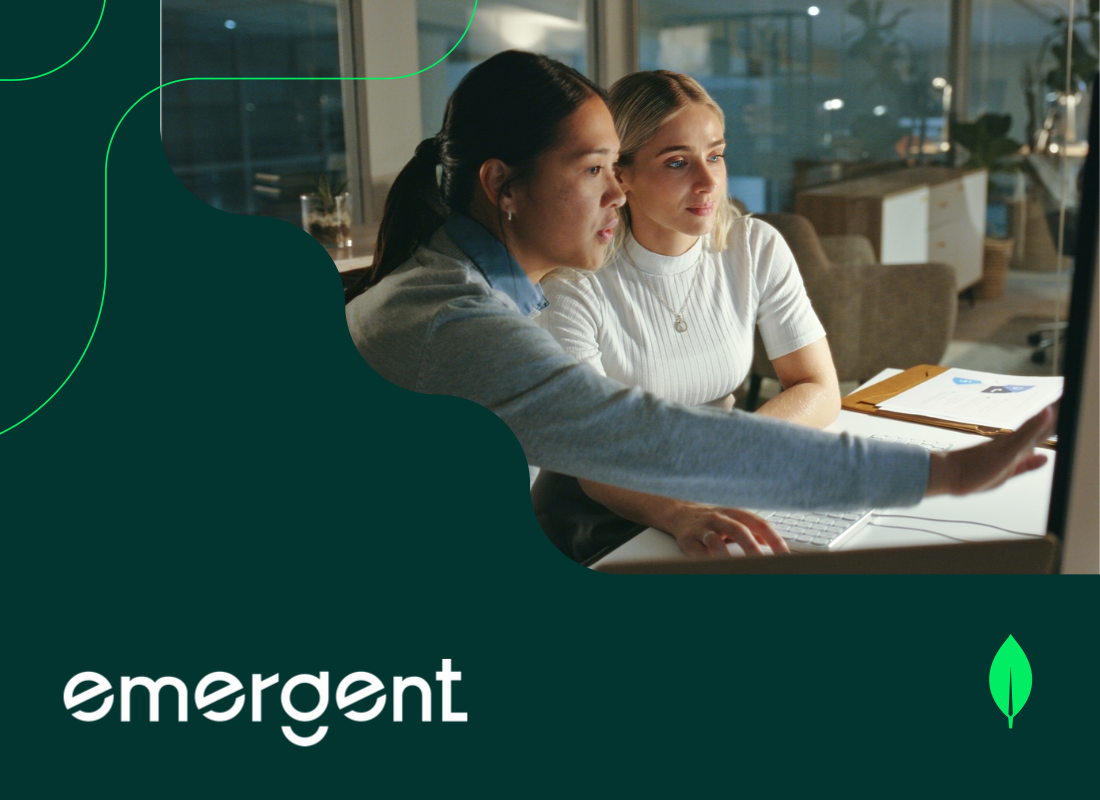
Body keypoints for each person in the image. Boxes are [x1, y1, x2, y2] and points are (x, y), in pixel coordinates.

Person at [344, 50, 1054, 559]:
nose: (616, 194)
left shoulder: (465, 284)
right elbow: (642, 437)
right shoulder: (463, 321)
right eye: (595, 170)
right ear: (503, 185)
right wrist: (941, 475)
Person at [535, 70, 840, 557]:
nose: (708, 182)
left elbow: (818, 389)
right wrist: (682, 509)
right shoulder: (573, 285)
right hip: (602, 516)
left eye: (715, 156)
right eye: (678, 162)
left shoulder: (754, 246)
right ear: (621, 174)